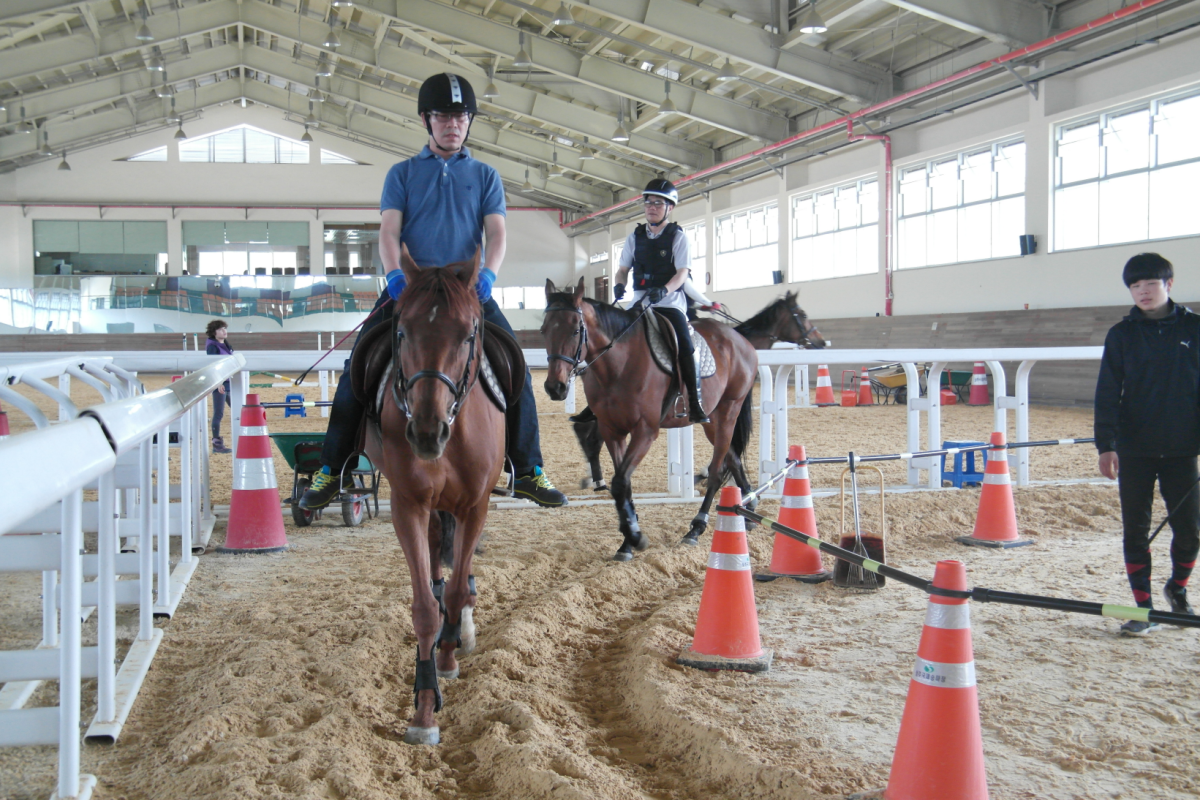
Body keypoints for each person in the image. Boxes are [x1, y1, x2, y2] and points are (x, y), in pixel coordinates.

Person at [299, 72, 567, 511]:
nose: (453, 124)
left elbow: (497, 234)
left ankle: (527, 469)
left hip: (466, 289)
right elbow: (389, 231)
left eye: (460, 117)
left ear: (469, 122)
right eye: (443, 116)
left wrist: (488, 275)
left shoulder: (485, 175)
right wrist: (394, 275)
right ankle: (333, 468)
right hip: (412, 288)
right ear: (427, 120)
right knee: (356, 368)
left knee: (514, 365)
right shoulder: (402, 173)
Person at [1095, 252, 1199, 635]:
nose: (1142, 291)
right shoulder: (1120, 335)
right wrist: (1105, 445)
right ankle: (1144, 608)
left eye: (1150, 283)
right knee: (1135, 532)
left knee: (1190, 531)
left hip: (1182, 450)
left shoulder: (1195, 328)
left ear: (1168, 284)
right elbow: (1108, 392)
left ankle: (1178, 589)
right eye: (1135, 285)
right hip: (1134, 449)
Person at [612, 178, 709, 423]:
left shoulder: (678, 237)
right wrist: (619, 284)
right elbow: (622, 269)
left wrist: (664, 290)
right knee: (611, 337)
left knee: (684, 343)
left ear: (670, 208)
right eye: (648, 203)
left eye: (658, 203)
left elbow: (682, 273)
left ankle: (694, 401)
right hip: (639, 302)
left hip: (670, 303)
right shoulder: (634, 237)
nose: (652, 207)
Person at [205, 319, 234, 454]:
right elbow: (213, 366)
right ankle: (216, 444)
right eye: (221, 329)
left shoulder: (225, 344)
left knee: (237, 408)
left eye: (225, 328)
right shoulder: (213, 346)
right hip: (220, 382)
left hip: (228, 381)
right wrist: (218, 382)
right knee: (218, 413)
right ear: (214, 332)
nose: (224, 331)